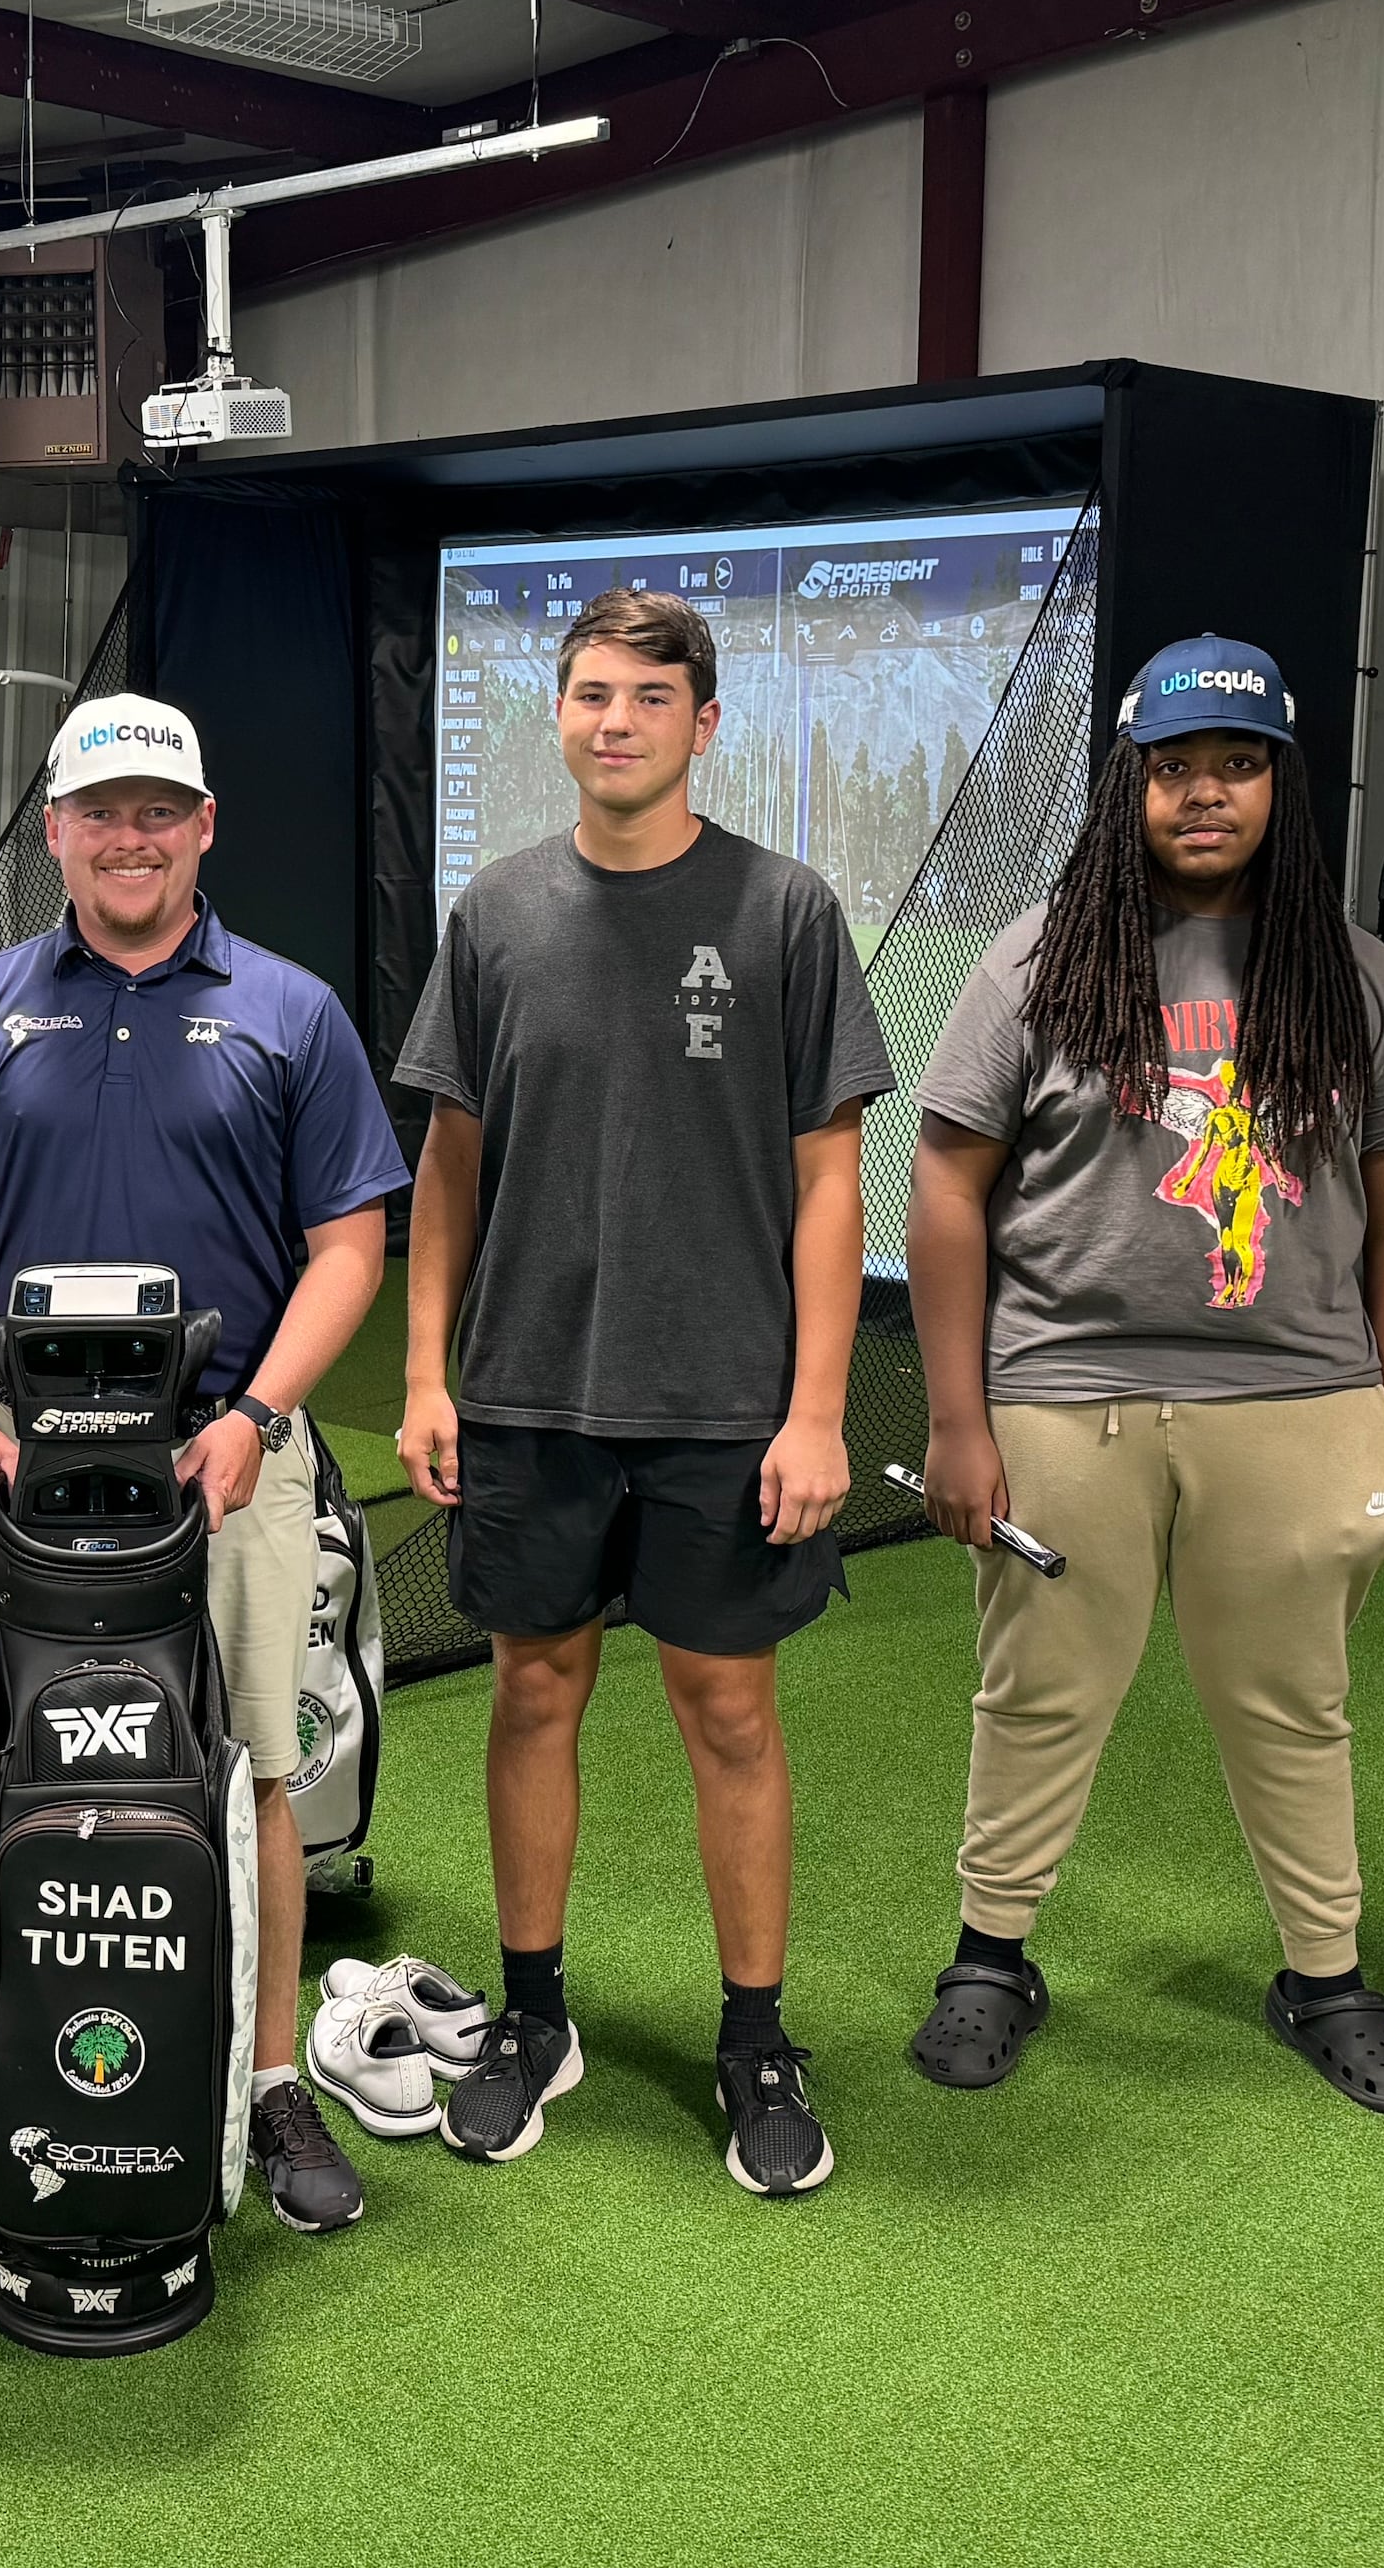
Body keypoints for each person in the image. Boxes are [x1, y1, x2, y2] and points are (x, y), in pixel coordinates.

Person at [904, 640, 1384, 2115]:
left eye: (1237, 764)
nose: (1204, 793)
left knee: (1295, 1706)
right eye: (1173, 768)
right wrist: (958, 1420)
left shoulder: (1353, 975)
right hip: (1065, 1392)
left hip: (1296, 1401)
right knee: (1038, 1695)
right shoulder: (1036, 961)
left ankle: (1325, 1979)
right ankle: (990, 1959)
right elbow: (948, 1191)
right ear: (1129, 784)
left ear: (1281, 783)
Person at [0, 692, 408, 2236]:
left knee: (254, 1773)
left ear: (204, 827)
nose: (131, 836)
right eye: (102, 811)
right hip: (27, 1476)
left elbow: (348, 1248)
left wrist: (256, 1419)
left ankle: (262, 2085)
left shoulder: (291, 1012)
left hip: (226, 1462)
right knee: (16, 1771)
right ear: (53, 830)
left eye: (159, 810)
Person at [398, 588, 893, 2201]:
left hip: (726, 1404)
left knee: (728, 1711)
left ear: (705, 724)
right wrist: (427, 1372)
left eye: (649, 697)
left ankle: (757, 2039)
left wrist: (817, 1410)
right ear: (560, 716)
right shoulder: (495, 914)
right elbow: (449, 1165)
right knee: (533, 1694)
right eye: (591, 693)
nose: (615, 721)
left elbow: (833, 1182)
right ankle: (531, 2018)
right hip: (529, 1394)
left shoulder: (785, 912)